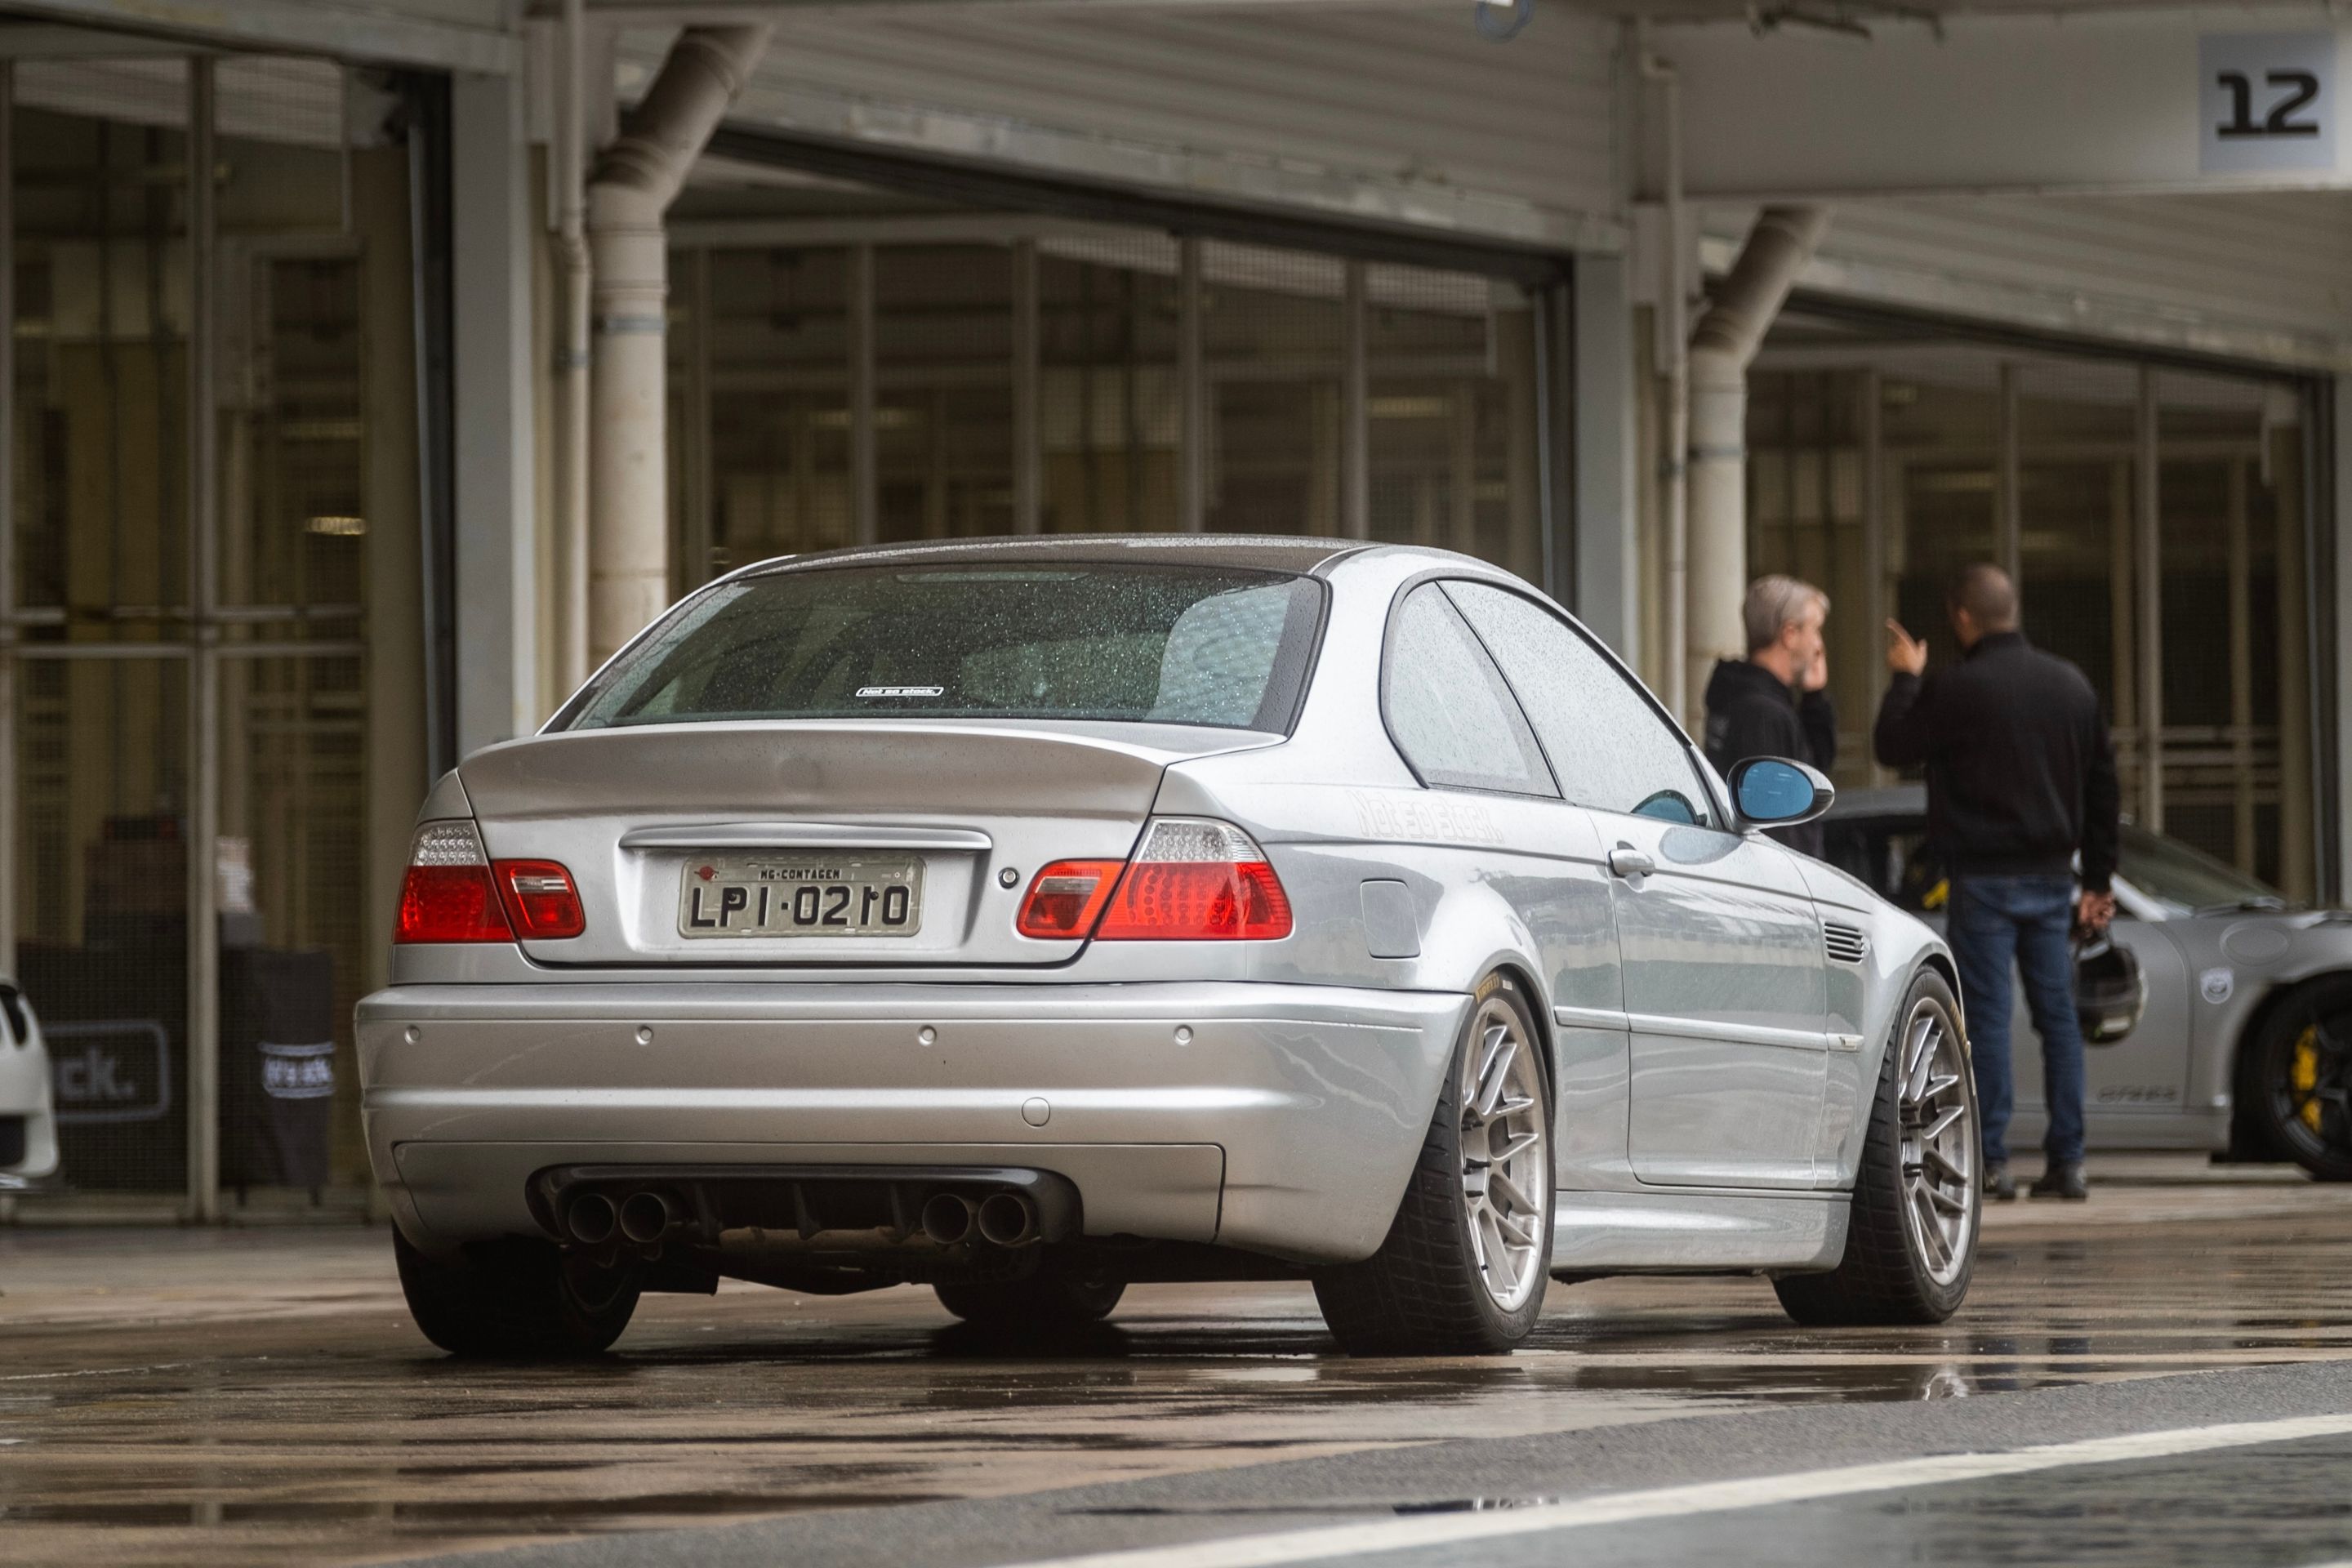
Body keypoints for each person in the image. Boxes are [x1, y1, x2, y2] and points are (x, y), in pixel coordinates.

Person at [1874, 563, 2119, 1203]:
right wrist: (2096, 880)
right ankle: (2069, 1162)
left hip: (1982, 880)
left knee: (1985, 1018)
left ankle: (1990, 1162)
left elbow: (1893, 745)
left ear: (1961, 617)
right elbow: (2103, 789)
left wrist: (1905, 678)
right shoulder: (2072, 686)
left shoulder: (1956, 688)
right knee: (2058, 1020)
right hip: (2051, 879)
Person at [1704, 575, 1837, 855]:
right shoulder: (1763, 713)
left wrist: (1814, 700)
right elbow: (1779, 824)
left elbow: (1816, 772)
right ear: (1789, 634)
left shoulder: (1742, 696)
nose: (1818, 646)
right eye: (1815, 630)